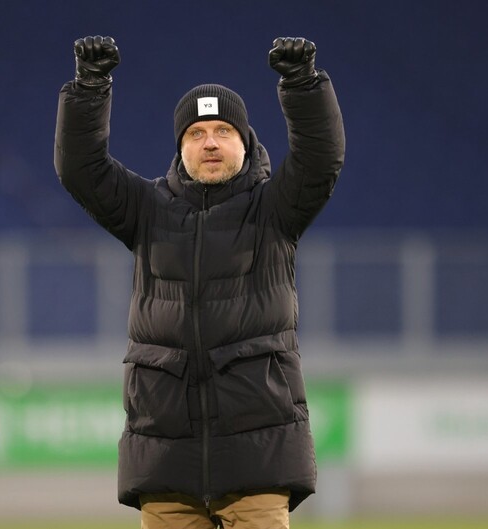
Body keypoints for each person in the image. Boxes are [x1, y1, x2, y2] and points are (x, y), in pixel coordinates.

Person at [54, 34, 345, 529]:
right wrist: (89, 88)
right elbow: (81, 170)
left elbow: (320, 160)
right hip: (167, 457)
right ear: (181, 146)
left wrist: (303, 85)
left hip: (258, 456)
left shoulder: (275, 209)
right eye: (196, 133)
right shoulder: (147, 209)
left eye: (223, 130)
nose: (209, 142)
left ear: (245, 141)